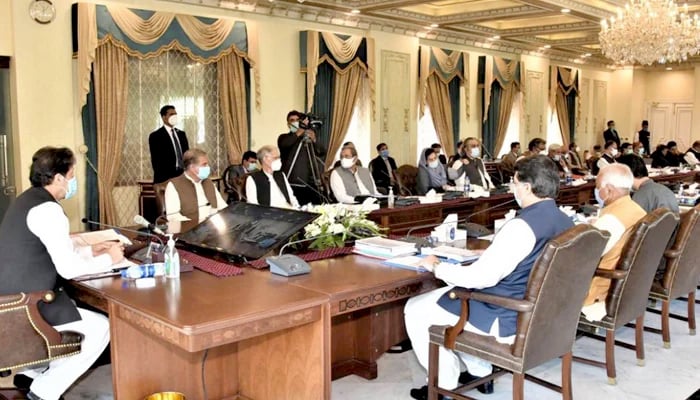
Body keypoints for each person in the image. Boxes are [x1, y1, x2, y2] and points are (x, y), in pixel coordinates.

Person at [404, 155, 574, 400]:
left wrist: (437, 266)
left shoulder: (521, 226)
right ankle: (479, 373)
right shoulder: (565, 221)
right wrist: (495, 252)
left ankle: (445, 384)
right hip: (542, 314)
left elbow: (479, 278)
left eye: (514, 183)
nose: (513, 188)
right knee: (446, 302)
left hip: (506, 314)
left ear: (527, 187)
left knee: (416, 307)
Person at [0, 147, 123, 400]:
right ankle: (44, 391)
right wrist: (110, 259)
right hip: (25, 305)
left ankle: (33, 374)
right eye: (71, 175)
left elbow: (49, 248)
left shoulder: (27, 200)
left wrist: (91, 250)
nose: (72, 182)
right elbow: (68, 268)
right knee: (101, 327)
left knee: (78, 311)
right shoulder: (48, 210)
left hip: (11, 295)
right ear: (58, 178)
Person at [582, 164, 646, 320]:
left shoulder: (612, 220)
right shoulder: (637, 209)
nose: (596, 192)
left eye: (598, 188)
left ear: (609, 189)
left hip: (602, 289)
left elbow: (585, 256)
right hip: (630, 285)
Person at [164, 149, 227, 224]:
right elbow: (173, 217)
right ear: (192, 167)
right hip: (191, 230)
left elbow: (223, 206)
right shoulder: (174, 185)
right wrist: (197, 225)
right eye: (204, 164)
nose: (208, 167)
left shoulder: (208, 182)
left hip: (214, 227)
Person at [277, 110, 327, 205]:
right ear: (288, 124)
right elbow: (285, 144)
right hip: (292, 182)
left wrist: (314, 139)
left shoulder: (308, 137)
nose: (295, 122)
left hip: (311, 182)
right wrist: (299, 132)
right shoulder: (284, 137)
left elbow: (322, 152)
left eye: (297, 120)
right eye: (292, 120)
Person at [149, 105, 190, 185]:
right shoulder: (156, 136)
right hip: (165, 178)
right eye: (171, 114)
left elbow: (186, 155)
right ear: (164, 117)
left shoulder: (181, 134)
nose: (174, 116)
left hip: (182, 176)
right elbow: (156, 161)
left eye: (175, 114)